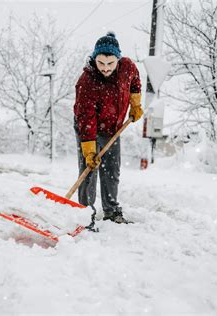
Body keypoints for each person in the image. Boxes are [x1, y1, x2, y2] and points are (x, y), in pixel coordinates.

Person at [73, 32, 143, 224]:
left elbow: (135, 82)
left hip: (113, 128)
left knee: (111, 169)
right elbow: (86, 118)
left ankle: (111, 211)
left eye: (110, 63)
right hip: (89, 128)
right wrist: (89, 150)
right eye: (101, 63)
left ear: (118, 60)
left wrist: (135, 104)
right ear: (94, 59)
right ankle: (85, 214)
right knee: (90, 169)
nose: (105, 68)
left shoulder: (127, 67)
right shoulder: (87, 82)